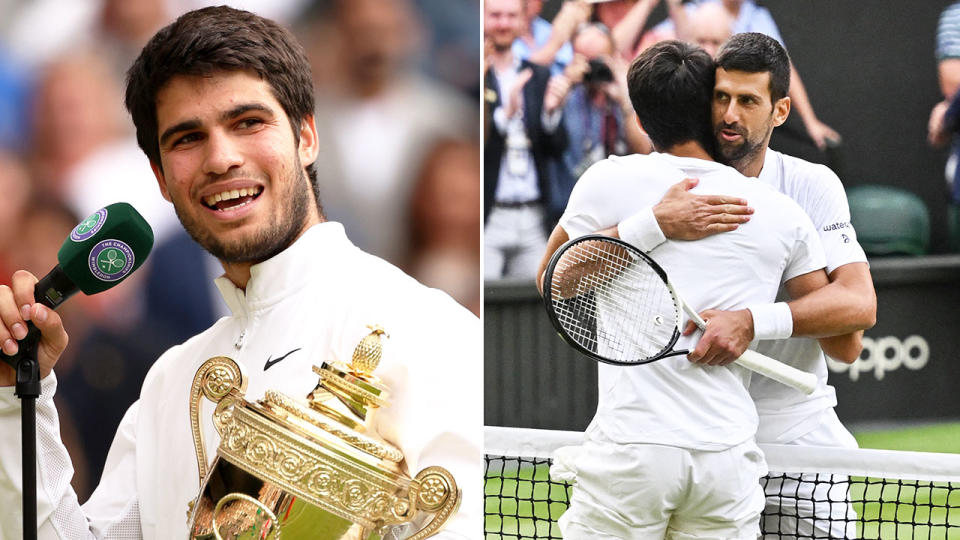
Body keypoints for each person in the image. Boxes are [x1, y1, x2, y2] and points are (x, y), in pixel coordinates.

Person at [0, 6, 480, 539]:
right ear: (161, 179)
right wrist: (16, 397)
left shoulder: (435, 334)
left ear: (306, 137)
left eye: (247, 122)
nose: (221, 157)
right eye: (187, 138)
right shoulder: (169, 381)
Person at [538, 40, 838, 539]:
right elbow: (842, 323)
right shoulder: (781, 211)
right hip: (726, 464)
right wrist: (655, 224)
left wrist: (642, 230)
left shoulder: (607, 181)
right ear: (709, 106)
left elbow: (552, 279)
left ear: (640, 113)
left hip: (631, 457)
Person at [615, 32, 877, 537]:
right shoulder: (660, 183)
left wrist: (751, 321)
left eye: (747, 101)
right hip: (699, 439)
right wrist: (654, 223)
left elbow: (852, 325)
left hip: (798, 439)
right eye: (721, 98)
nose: (729, 115)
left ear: (780, 112)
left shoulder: (811, 185)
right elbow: (560, 269)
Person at [484, 0, 568, 280]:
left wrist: (551, 113)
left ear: (523, 20)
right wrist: (505, 114)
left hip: (533, 217)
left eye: (511, 16)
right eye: (495, 15)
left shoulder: (537, 75)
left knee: (534, 307)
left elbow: (558, 146)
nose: (504, 23)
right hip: (488, 217)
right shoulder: (475, 73)